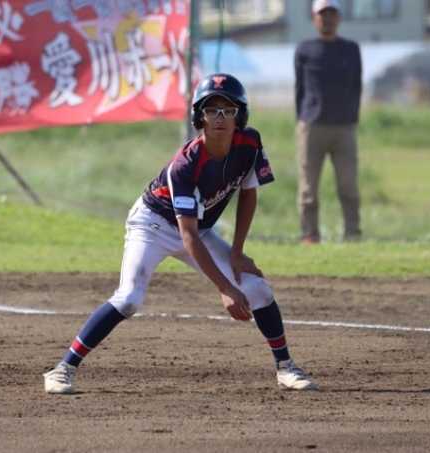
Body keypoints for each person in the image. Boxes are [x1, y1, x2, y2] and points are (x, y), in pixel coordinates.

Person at [43, 73, 317, 394]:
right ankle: (63, 369)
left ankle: (285, 367)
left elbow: (248, 193)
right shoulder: (185, 165)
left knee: (257, 289)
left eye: (228, 110)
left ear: (240, 116)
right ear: (199, 116)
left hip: (198, 229)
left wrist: (236, 252)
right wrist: (225, 287)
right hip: (153, 225)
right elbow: (188, 236)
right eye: (211, 110)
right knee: (129, 298)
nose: (220, 118)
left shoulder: (250, 142)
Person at [295, 0, 362, 244]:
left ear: (339, 18)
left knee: (348, 184)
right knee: (308, 186)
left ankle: (352, 233)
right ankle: (310, 233)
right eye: (323, 14)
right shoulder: (304, 50)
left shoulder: (351, 49)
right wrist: (301, 121)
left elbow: (357, 85)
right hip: (312, 126)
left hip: (344, 127)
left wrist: (352, 116)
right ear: (314, 18)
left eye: (332, 14)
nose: (328, 19)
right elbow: (299, 89)